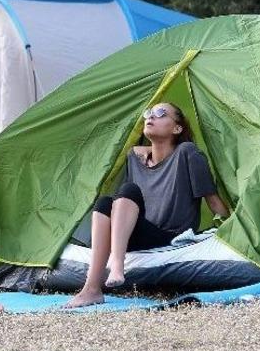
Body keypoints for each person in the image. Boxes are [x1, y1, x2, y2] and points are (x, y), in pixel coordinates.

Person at [65, 102, 230, 308]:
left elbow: (213, 201)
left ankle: (117, 264)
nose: (151, 117)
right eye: (148, 113)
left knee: (127, 190)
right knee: (105, 202)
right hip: (135, 234)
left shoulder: (188, 153)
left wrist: (230, 231)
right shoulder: (134, 157)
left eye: (161, 113)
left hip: (170, 236)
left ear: (177, 128)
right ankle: (91, 289)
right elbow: (124, 203)